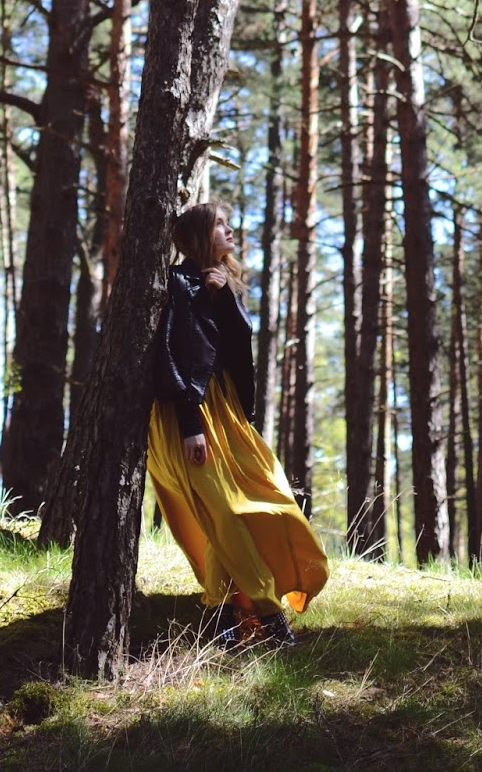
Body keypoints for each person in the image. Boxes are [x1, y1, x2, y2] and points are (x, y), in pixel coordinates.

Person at [148, 201, 329, 649]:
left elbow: (236, 350)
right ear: (198, 236)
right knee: (225, 514)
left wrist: (224, 298)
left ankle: (222, 614)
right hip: (187, 411)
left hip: (226, 411)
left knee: (273, 498)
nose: (230, 230)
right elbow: (168, 356)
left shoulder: (221, 285)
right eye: (220, 224)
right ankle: (267, 617)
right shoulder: (175, 283)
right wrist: (190, 423)